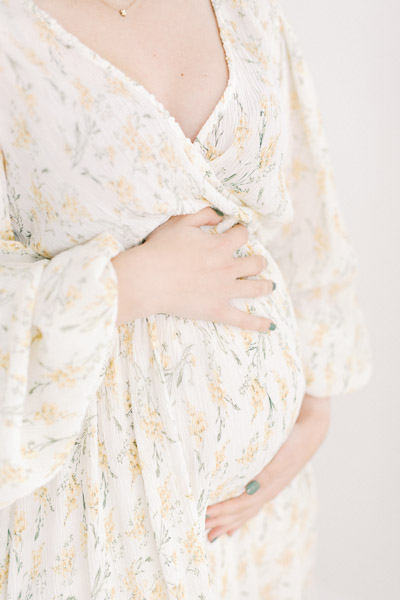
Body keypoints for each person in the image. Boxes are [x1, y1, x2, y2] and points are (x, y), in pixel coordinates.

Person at [0, 0, 372, 598]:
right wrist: (133, 283)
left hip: (253, 526)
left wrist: (314, 412)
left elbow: (306, 204)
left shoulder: (248, 11)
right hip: (98, 518)